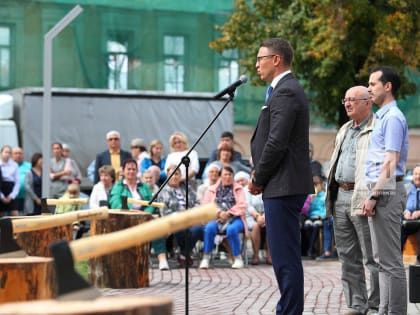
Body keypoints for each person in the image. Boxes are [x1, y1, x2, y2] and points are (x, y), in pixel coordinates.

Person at [248, 38, 313, 315]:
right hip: (280, 183)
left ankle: (289, 311)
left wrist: (258, 177)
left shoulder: (286, 91)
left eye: (260, 58)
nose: (256, 64)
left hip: (283, 184)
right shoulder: (280, 90)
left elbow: (277, 142)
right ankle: (288, 309)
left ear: (276, 59)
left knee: (285, 257)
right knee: (284, 256)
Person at [325, 85, 379, 314]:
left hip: (362, 197)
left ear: (368, 102)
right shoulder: (345, 129)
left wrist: (374, 196)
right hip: (341, 197)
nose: (347, 104)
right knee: (347, 256)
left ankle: (376, 304)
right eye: (345, 99)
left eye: (353, 100)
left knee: (371, 256)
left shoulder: (377, 128)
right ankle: (356, 304)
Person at [362, 66, 409, 314]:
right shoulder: (382, 116)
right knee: (382, 260)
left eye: (373, 84)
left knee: (391, 262)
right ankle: (384, 310)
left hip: (386, 190)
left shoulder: (392, 118)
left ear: (387, 86)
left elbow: (390, 163)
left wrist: (372, 196)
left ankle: (396, 312)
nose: (369, 88)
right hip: (381, 189)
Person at [108, 159, 169, 270]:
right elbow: (115, 203)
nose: (131, 171)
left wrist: (146, 213)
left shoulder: (143, 186)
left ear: (137, 171)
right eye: (129, 169)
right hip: (125, 217)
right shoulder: (118, 186)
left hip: (143, 216)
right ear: (123, 171)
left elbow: (151, 202)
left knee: (157, 225)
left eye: (134, 169)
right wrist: (132, 213)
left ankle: (162, 259)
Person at [199, 166, 247, 269]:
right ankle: (206, 258)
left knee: (232, 229)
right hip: (217, 218)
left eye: (230, 175)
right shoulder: (211, 190)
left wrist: (228, 214)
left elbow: (242, 206)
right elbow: (205, 206)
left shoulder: (239, 189)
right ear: (220, 176)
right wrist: (219, 213)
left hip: (235, 218)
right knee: (209, 228)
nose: (228, 177)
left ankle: (237, 258)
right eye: (225, 174)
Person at [157, 164, 202, 268]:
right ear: (167, 176)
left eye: (176, 174)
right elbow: (164, 212)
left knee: (198, 229)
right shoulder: (163, 191)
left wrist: (192, 213)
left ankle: (183, 254)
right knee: (180, 229)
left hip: (191, 219)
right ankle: (185, 255)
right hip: (174, 221)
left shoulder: (187, 188)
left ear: (180, 175)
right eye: (171, 174)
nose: (174, 177)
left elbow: (198, 202)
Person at [235, 171, 271, 265]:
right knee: (255, 226)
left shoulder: (268, 188)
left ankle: (270, 255)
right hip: (249, 216)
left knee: (271, 225)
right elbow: (248, 206)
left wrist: (264, 217)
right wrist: (257, 216)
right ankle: (255, 255)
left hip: (266, 215)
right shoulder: (246, 189)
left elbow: (269, 204)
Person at [302, 176, 326, 259]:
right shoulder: (310, 196)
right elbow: (305, 211)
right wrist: (309, 201)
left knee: (315, 225)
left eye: (316, 184)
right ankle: (312, 248)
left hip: (320, 218)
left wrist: (321, 215)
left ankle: (311, 249)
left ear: (320, 185)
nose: (315, 187)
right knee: (307, 225)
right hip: (310, 217)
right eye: (313, 185)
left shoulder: (324, 196)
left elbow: (325, 208)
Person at [402, 164, 420, 264]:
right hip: (407, 220)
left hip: (419, 221)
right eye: (416, 174)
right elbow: (400, 204)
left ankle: (419, 261)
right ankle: (396, 260)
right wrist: (406, 211)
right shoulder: (406, 188)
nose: (418, 176)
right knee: (398, 227)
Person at [0, 145, 20, 216]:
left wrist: (11, 196)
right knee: (1, 215)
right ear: (1, 153)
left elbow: (17, 182)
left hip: (11, 190)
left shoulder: (14, 165)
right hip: (1, 189)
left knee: (15, 214)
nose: (7, 154)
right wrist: (1, 197)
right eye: (6, 152)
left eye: (9, 152)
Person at [11, 147, 31, 214]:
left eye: (20, 153)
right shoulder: (8, 166)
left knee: (24, 218)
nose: (18, 155)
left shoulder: (29, 166)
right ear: (11, 155)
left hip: (26, 197)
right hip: (11, 198)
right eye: (15, 153)